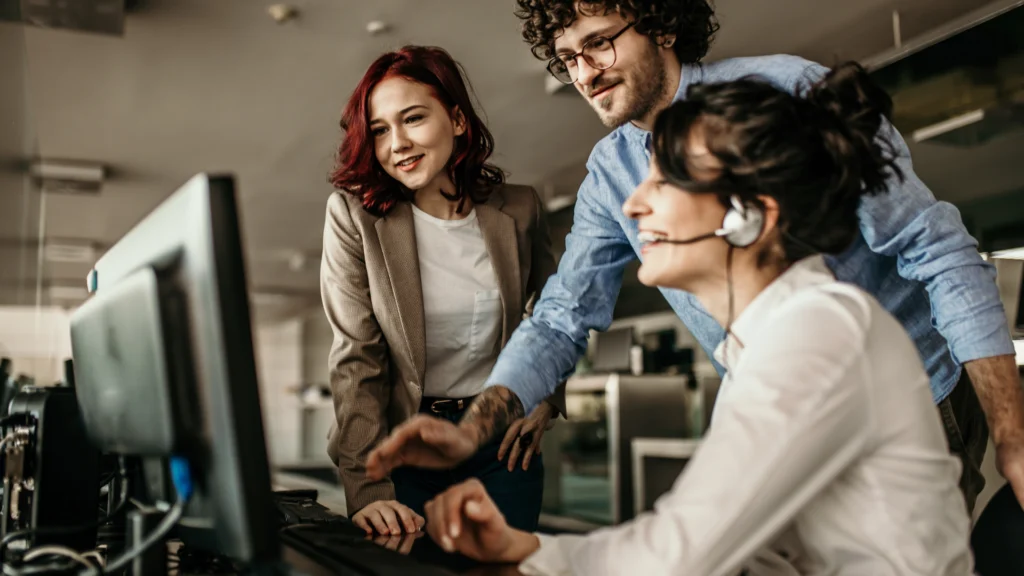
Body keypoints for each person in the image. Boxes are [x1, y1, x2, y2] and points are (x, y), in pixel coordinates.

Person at [366, 0, 1024, 514]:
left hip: (905, 398)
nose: (585, 73)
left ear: (660, 24)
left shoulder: (786, 91)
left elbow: (936, 248)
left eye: (600, 42)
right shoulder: (611, 169)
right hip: (778, 420)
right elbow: (562, 314)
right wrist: (475, 428)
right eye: (568, 58)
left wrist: (1012, 437)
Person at [418, 61, 975, 575]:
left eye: (663, 182)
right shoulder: (761, 349)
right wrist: (520, 549)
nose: (633, 206)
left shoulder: (818, 333)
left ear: (746, 216)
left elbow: (677, 555)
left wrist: (531, 555)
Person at [320, 45, 564, 537]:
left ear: (457, 119)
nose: (397, 144)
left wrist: (547, 398)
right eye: (380, 130)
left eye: (413, 118)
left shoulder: (520, 209)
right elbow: (358, 359)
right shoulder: (354, 217)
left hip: (501, 445)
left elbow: (554, 316)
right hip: (403, 446)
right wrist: (366, 489)